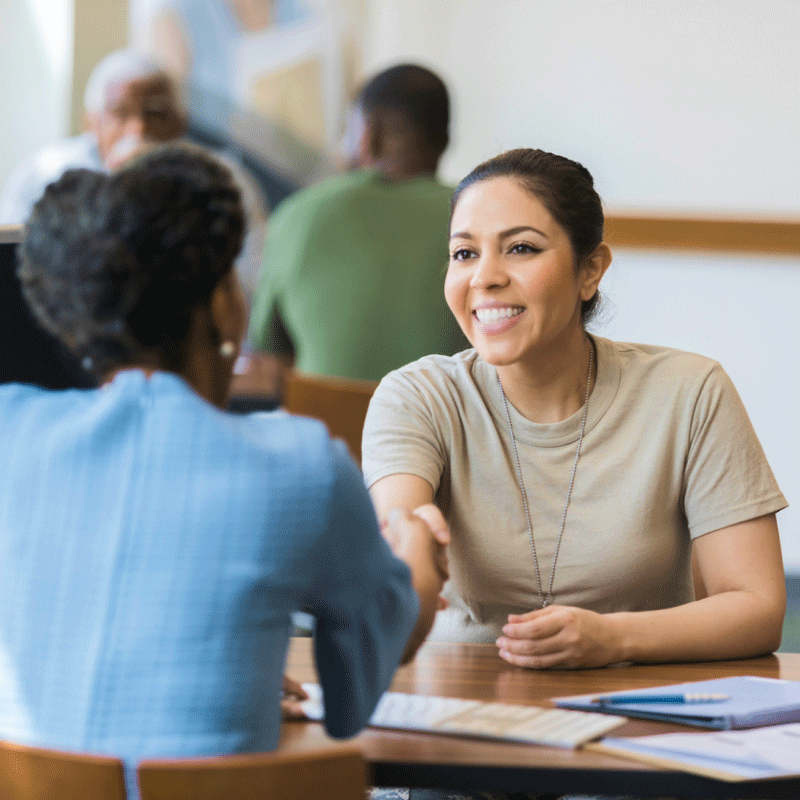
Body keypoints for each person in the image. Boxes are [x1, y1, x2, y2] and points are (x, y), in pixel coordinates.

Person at [0, 145, 448, 796]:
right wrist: (416, 560)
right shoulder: (302, 466)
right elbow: (357, 692)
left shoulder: (13, 432)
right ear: (221, 306)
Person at [363, 147, 787, 667]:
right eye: (464, 253)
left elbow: (757, 607)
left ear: (590, 270)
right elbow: (402, 534)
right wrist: (412, 546)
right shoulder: (417, 394)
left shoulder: (691, 391)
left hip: (635, 713)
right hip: (456, 701)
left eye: (520, 248)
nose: (484, 277)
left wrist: (612, 638)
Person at [247, 63, 469, 388]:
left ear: (368, 135)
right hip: (437, 433)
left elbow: (270, 354)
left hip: (326, 430)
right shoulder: (477, 216)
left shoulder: (299, 214)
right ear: (445, 139)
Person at [0, 49, 267, 305]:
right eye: (120, 113)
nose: (138, 128)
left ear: (181, 122)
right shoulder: (44, 175)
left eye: (156, 113)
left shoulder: (224, 181)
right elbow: (14, 273)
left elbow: (253, 282)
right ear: (92, 123)